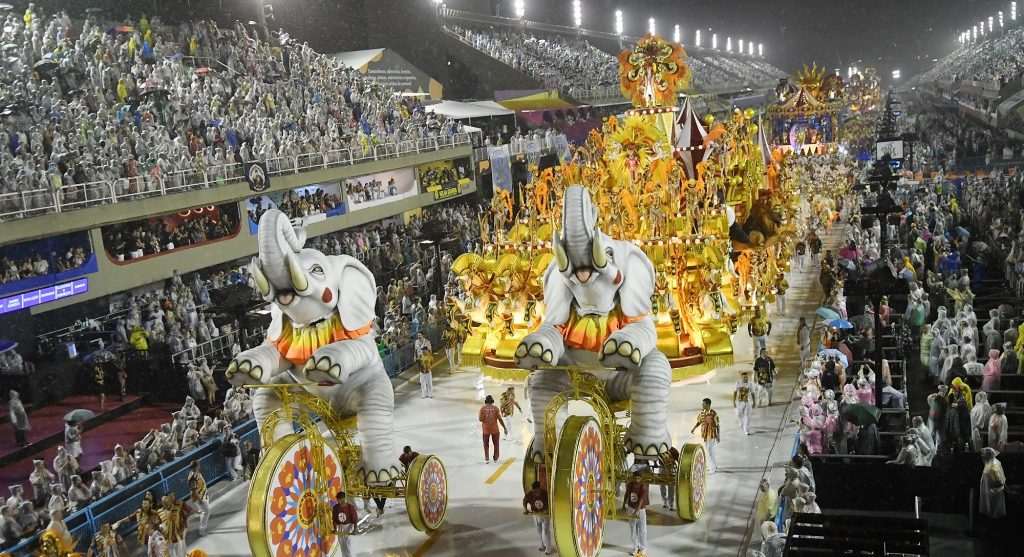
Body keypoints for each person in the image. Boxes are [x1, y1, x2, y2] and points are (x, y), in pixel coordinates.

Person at [623, 469, 649, 557]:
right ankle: (635, 548)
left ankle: (643, 549)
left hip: (640, 510)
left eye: (638, 478)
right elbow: (627, 494)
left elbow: (642, 499)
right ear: (633, 477)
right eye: (635, 478)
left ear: (641, 478)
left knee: (642, 530)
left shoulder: (643, 486)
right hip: (631, 508)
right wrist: (624, 504)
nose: (637, 479)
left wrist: (637, 510)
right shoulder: (630, 484)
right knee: (633, 529)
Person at [690, 398, 721, 471]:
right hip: (705, 434)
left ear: (708, 405)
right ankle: (714, 465)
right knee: (709, 451)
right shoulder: (702, 413)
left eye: (703, 404)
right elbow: (699, 421)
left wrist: (718, 436)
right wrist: (694, 428)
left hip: (712, 434)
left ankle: (712, 468)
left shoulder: (713, 413)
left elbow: (717, 425)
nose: (702, 405)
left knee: (710, 451)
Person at [523, 480, 553, 554]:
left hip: (545, 515)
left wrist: (548, 509)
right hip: (536, 515)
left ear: (539, 488)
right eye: (534, 491)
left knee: (546, 531)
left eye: (537, 490)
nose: (536, 492)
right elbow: (525, 501)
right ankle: (542, 545)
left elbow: (551, 502)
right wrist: (526, 509)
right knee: (539, 531)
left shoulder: (545, 493)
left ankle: (548, 548)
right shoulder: (530, 494)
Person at [978, 447, 1006, 520]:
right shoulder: (993, 463)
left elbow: (999, 482)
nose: (982, 458)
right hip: (992, 492)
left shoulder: (992, 466)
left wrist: (990, 487)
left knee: (993, 513)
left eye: (983, 456)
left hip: (993, 494)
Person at [479, 395, 506, 463]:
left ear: (486, 401)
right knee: (496, 444)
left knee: (486, 444)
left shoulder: (482, 408)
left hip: (486, 430)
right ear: (492, 401)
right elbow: (500, 419)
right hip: (495, 429)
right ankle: (496, 458)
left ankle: (487, 459)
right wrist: (504, 427)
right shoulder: (496, 408)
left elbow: (480, 419)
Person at [332, 491, 358, 557]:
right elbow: (334, 519)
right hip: (340, 527)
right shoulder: (335, 508)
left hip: (349, 526)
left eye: (339, 499)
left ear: (343, 499)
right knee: (342, 545)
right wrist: (335, 529)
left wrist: (355, 529)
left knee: (348, 545)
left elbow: (355, 519)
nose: (338, 501)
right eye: (337, 499)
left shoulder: (350, 507)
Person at [187, 460, 209, 536]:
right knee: (205, 512)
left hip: (203, 495)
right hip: (199, 497)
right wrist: (200, 500)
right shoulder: (193, 477)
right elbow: (193, 490)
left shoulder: (196, 473)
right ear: (197, 466)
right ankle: (202, 530)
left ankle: (203, 528)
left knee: (204, 512)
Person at [416, 333, 434, 399]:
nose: (423, 351)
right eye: (422, 350)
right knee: (422, 383)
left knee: (429, 383)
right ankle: (424, 394)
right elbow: (418, 363)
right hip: (422, 371)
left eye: (424, 350)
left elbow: (432, 362)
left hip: (428, 371)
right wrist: (420, 369)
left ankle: (430, 394)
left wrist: (429, 368)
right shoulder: (420, 357)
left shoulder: (430, 356)